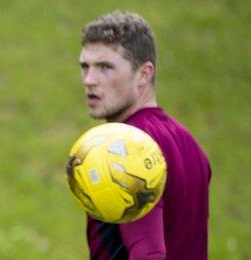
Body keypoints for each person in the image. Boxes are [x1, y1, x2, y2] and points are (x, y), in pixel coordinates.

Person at [78, 11, 211, 259]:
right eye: (85, 66)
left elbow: (148, 253)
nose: (89, 80)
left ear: (144, 74)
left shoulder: (125, 148)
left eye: (105, 67)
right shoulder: (189, 145)